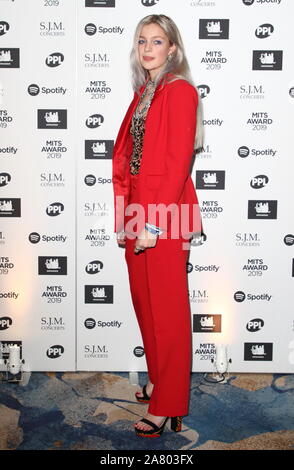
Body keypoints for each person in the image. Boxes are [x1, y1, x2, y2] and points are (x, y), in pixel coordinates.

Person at [112, 14, 203, 438]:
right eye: (142, 41)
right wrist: (124, 215)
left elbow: (175, 163)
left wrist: (153, 220)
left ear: (173, 49)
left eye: (157, 41)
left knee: (166, 310)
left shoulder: (180, 90)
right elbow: (127, 159)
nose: (148, 48)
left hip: (165, 214)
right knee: (145, 305)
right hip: (137, 211)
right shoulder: (144, 91)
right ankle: (158, 380)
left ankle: (168, 404)